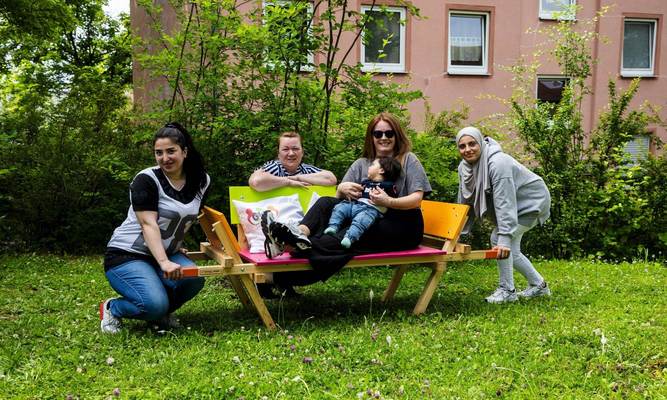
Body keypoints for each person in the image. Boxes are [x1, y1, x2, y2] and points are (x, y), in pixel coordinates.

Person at [262, 112, 432, 288]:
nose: (384, 138)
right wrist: (341, 190)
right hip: (366, 218)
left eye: (389, 133)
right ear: (371, 137)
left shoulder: (408, 160)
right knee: (326, 203)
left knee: (346, 237)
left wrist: (388, 201)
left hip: (402, 224)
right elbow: (339, 201)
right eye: (378, 134)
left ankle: (289, 253)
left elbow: (416, 200)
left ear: (397, 135)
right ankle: (299, 235)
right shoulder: (362, 164)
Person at [99, 122, 210, 333]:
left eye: (171, 151)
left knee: (193, 279)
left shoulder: (202, 180)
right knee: (153, 304)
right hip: (127, 254)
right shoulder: (146, 180)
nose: (165, 158)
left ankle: (159, 313)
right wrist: (164, 262)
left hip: (164, 252)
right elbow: (148, 224)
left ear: (184, 152)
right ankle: (114, 308)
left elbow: (185, 217)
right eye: (159, 153)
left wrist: (175, 244)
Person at [455, 126, 551, 304]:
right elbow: (465, 201)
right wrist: (458, 233)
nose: (467, 149)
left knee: (499, 239)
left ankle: (507, 290)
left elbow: (504, 201)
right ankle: (539, 286)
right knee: (511, 250)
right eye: (462, 146)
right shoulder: (465, 168)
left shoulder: (498, 163)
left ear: (481, 143)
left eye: (472, 144)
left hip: (531, 202)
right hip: (514, 204)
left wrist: (504, 237)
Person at [324, 157, 401, 248]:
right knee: (341, 207)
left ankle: (349, 238)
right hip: (356, 205)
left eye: (372, 165)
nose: (369, 167)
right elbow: (357, 193)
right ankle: (333, 226)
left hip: (371, 210)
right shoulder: (366, 183)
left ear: (381, 170)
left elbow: (392, 198)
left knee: (361, 221)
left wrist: (386, 199)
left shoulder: (389, 186)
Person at [248, 131, 336, 192]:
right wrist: (288, 182)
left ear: (302, 152)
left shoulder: (306, 169)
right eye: (285, 149)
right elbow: (256, 181)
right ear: (278, 154)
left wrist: (297, 178)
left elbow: (331, 179)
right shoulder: (273, 167)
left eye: (295, 149)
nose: (291, 153)